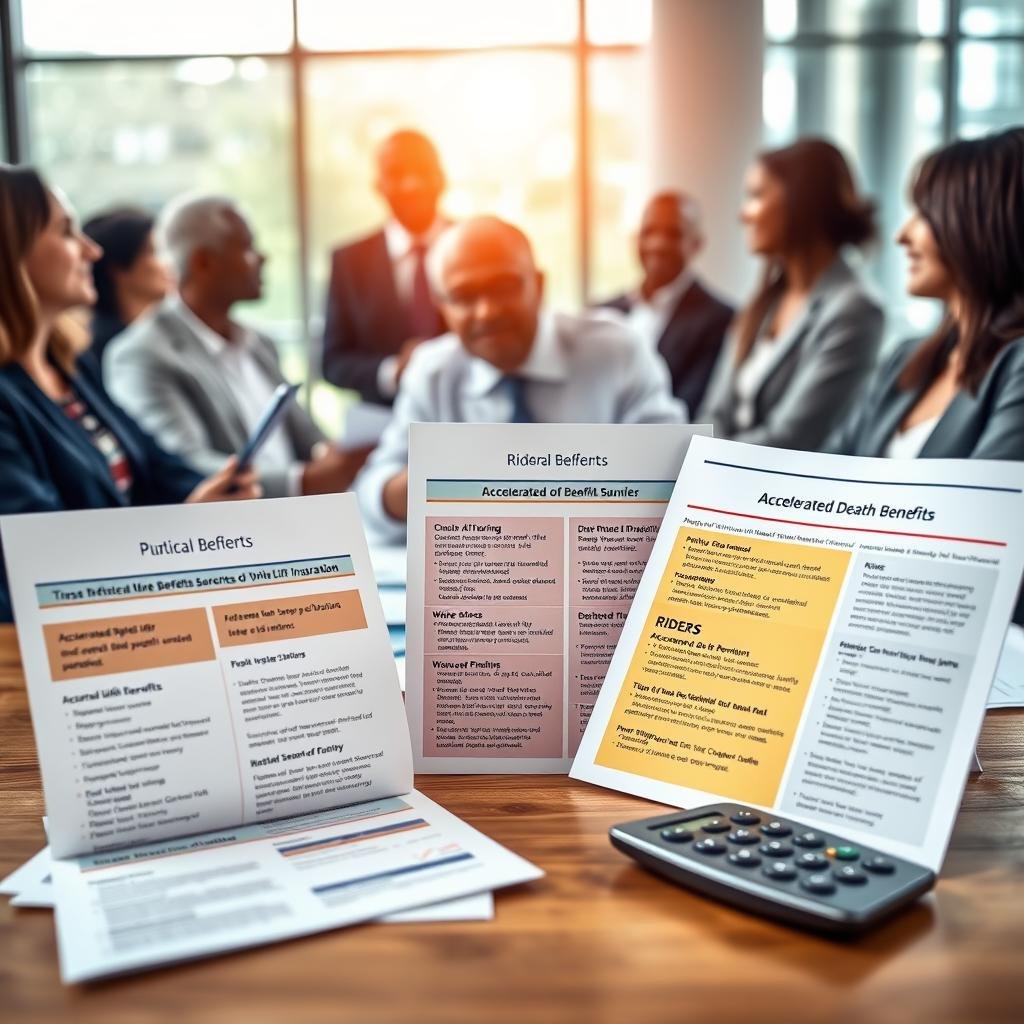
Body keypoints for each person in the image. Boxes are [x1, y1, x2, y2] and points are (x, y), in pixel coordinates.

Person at [0, 166, 260, 622]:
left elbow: (158, 466)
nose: (91, 250)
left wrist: (214, 493)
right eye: (66, 232)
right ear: (10, 251)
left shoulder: (72, 368)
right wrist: (185, 528)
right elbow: (41, 554)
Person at [356, 216, 685, 541]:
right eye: (463, 296)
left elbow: (675, 467)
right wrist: (425, 484)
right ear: (441, 306)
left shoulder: (616, 352)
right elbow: (373, 493)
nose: (487, 312)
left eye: (504, 288)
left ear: (539, 286)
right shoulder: (432, 374)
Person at [105, 195, 369, 499]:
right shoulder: (142, 355)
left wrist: (331, 455)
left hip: (302, 520)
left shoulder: (260, 344)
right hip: (234, 535)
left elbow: (307, 435)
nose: (263, 258)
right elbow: (185, 465)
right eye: (246, 247)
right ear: (203, 262)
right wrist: (302, 482)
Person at [827, 128, 1024, 461]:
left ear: (980, 226)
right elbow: (829, 468)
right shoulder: (905, 359)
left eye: (925, 214)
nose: (902, 236)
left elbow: (977, 505)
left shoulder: (1016, 366)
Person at [698, 138, 885, 450]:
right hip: (725, 480)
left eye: (756, 195)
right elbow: (712, 415)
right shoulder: (764, 302)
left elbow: (792, 440)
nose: (743, 214)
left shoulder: (855, 310)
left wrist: (707, 461)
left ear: (801, 200)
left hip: (790, 494)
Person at [321, 129, 449, 405]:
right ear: (378, 186)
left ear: (443, 178)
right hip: (384, 421)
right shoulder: (349, 262)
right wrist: (392, 371)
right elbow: (332, 362)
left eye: (423, 170)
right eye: (396, 173)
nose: (411, 184)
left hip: (470, 420)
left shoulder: (478, 248)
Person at [599, 191, 734, 414]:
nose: (658, 244)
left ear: (697, 244)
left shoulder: (719, 320)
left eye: (674, 234)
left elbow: (689, 406)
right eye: (648, 232)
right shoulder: (602, 312)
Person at [82, 206, 173, 362]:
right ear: (118, 269)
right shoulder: (104, 350)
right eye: (153, 252)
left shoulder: (167, 333)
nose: (167, 263)